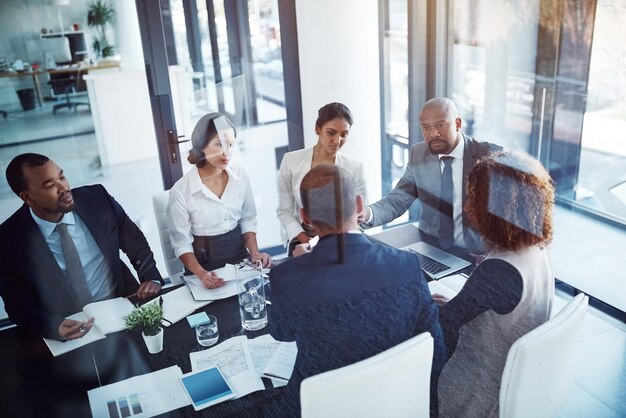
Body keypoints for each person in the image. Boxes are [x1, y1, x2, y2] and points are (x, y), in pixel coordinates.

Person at [269, 164, 446, 414]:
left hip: (323, 407)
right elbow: (435, 350)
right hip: (396, 402)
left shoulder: (285, 278)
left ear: (305, 218)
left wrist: (300, 271)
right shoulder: (407, 265)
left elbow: (281, 333)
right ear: (360, 206)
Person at [434, 150, 555, 417]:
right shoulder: (535, 249)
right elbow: (474, 306)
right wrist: (458, 304)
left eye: (473, 200)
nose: (467, 208)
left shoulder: (498, 272)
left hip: (478, 392)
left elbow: (443, 323)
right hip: (512, 379)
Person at [0, 153, 163, 341]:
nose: (64, 187)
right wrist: (53, 327)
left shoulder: (98, 199)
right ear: (27, 197)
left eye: (61, 177)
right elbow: (17, 304)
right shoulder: (8, 240)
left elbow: (135, 242)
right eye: (50, 185)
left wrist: (151, 277)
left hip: (121, 303)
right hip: (67, 324)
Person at [359, 97, 501, 254]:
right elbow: (397, 201)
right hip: (430, 247)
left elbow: (508, 214)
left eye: (440, 125)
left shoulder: (490, 155)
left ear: (458, 124)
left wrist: (495, 254)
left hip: (476, 254)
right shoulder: (418, 154)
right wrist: (366, 213)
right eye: (426, 128)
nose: (433, 134)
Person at [167, 112, 272, 290]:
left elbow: (247, 219)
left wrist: (254, 253)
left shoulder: (241, 176)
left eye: (231, 144)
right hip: (202, 271)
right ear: (201, 145)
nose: (227, 152)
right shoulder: (180, 191)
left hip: (240, 263)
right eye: (219, 144)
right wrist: (201, 274)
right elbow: (181, 244)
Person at [277, 102, 368, 256]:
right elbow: (284, 212)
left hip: (342, 240)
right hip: (302, 239)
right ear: (317, 129)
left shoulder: (355, 167)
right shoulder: (290, 161)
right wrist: (306, 241)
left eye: (344, 134)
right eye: (331, 133)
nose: (337, 140)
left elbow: (359, 215)